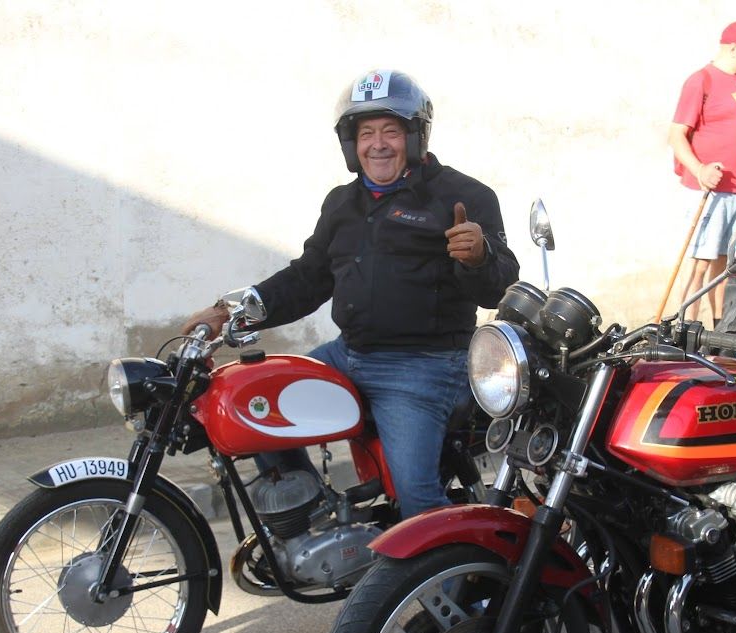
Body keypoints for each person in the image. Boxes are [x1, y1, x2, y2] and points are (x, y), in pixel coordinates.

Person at [181, 69, 519, 519]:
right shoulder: (343, 203)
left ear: (415, 136)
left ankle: (466, 583)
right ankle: (314, 517)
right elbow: (309, 277)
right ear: (352, 143)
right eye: (366, 133)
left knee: (417, 502)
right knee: (254, 401)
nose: (377, 144)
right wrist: (230, 311)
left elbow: (499, 287)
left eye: (391, 131)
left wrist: (478, 257)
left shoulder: (463, 195)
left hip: (423, 366)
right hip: (349, 353)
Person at [662, 20, 736, 325]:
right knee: (700, 263)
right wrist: (699, 169)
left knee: (725, 265)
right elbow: (676, 135)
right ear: (734, 47)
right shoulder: (702, 80)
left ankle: (718, 326)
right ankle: (685, 328)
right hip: (710, 189)